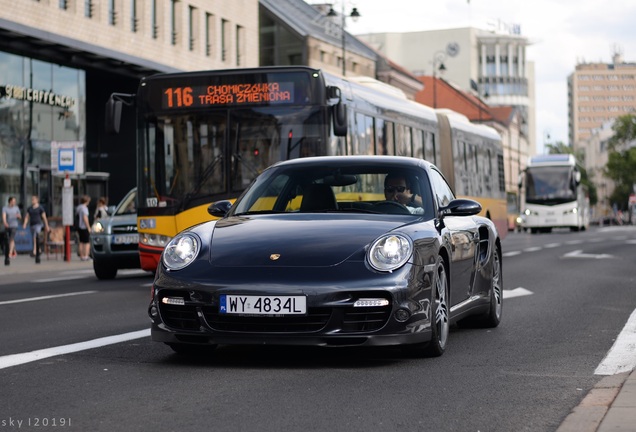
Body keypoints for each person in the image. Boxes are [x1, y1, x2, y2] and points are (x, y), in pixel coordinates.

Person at [22, 195, 49, 263]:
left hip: (38, 224)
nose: (32, 201)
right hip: (32, 225)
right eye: (32, 199)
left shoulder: (40, 208)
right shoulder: (30, 208)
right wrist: (25, 223)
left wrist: (47, 225)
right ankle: (39, 250)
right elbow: (27, 217)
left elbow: (44, 217)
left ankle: (34, 251)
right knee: (34, 238)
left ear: (37, 200)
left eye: (33, 199)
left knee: (35, 237)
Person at [2, 196, 21, 265]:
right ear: (10, 201)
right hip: (8, 225)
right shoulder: (5, 208)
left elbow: (20, 216)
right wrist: (5, 223)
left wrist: (18, 216)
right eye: (13, 201)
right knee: (8, 239)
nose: (14, 203)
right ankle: (14, 251)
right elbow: (3, 216)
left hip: (14, 225)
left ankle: (10, 253)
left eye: (15, 201)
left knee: (11, 239)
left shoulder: (16, 208)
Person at [76, 195, 92, 261]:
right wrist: (88, 227)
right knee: (87, 242)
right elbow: (85, 218)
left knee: (81, 241)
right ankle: (86, 255)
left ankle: (81, 256)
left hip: (79, 227)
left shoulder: (78, 208)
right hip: (84, 227)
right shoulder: (84, 208)